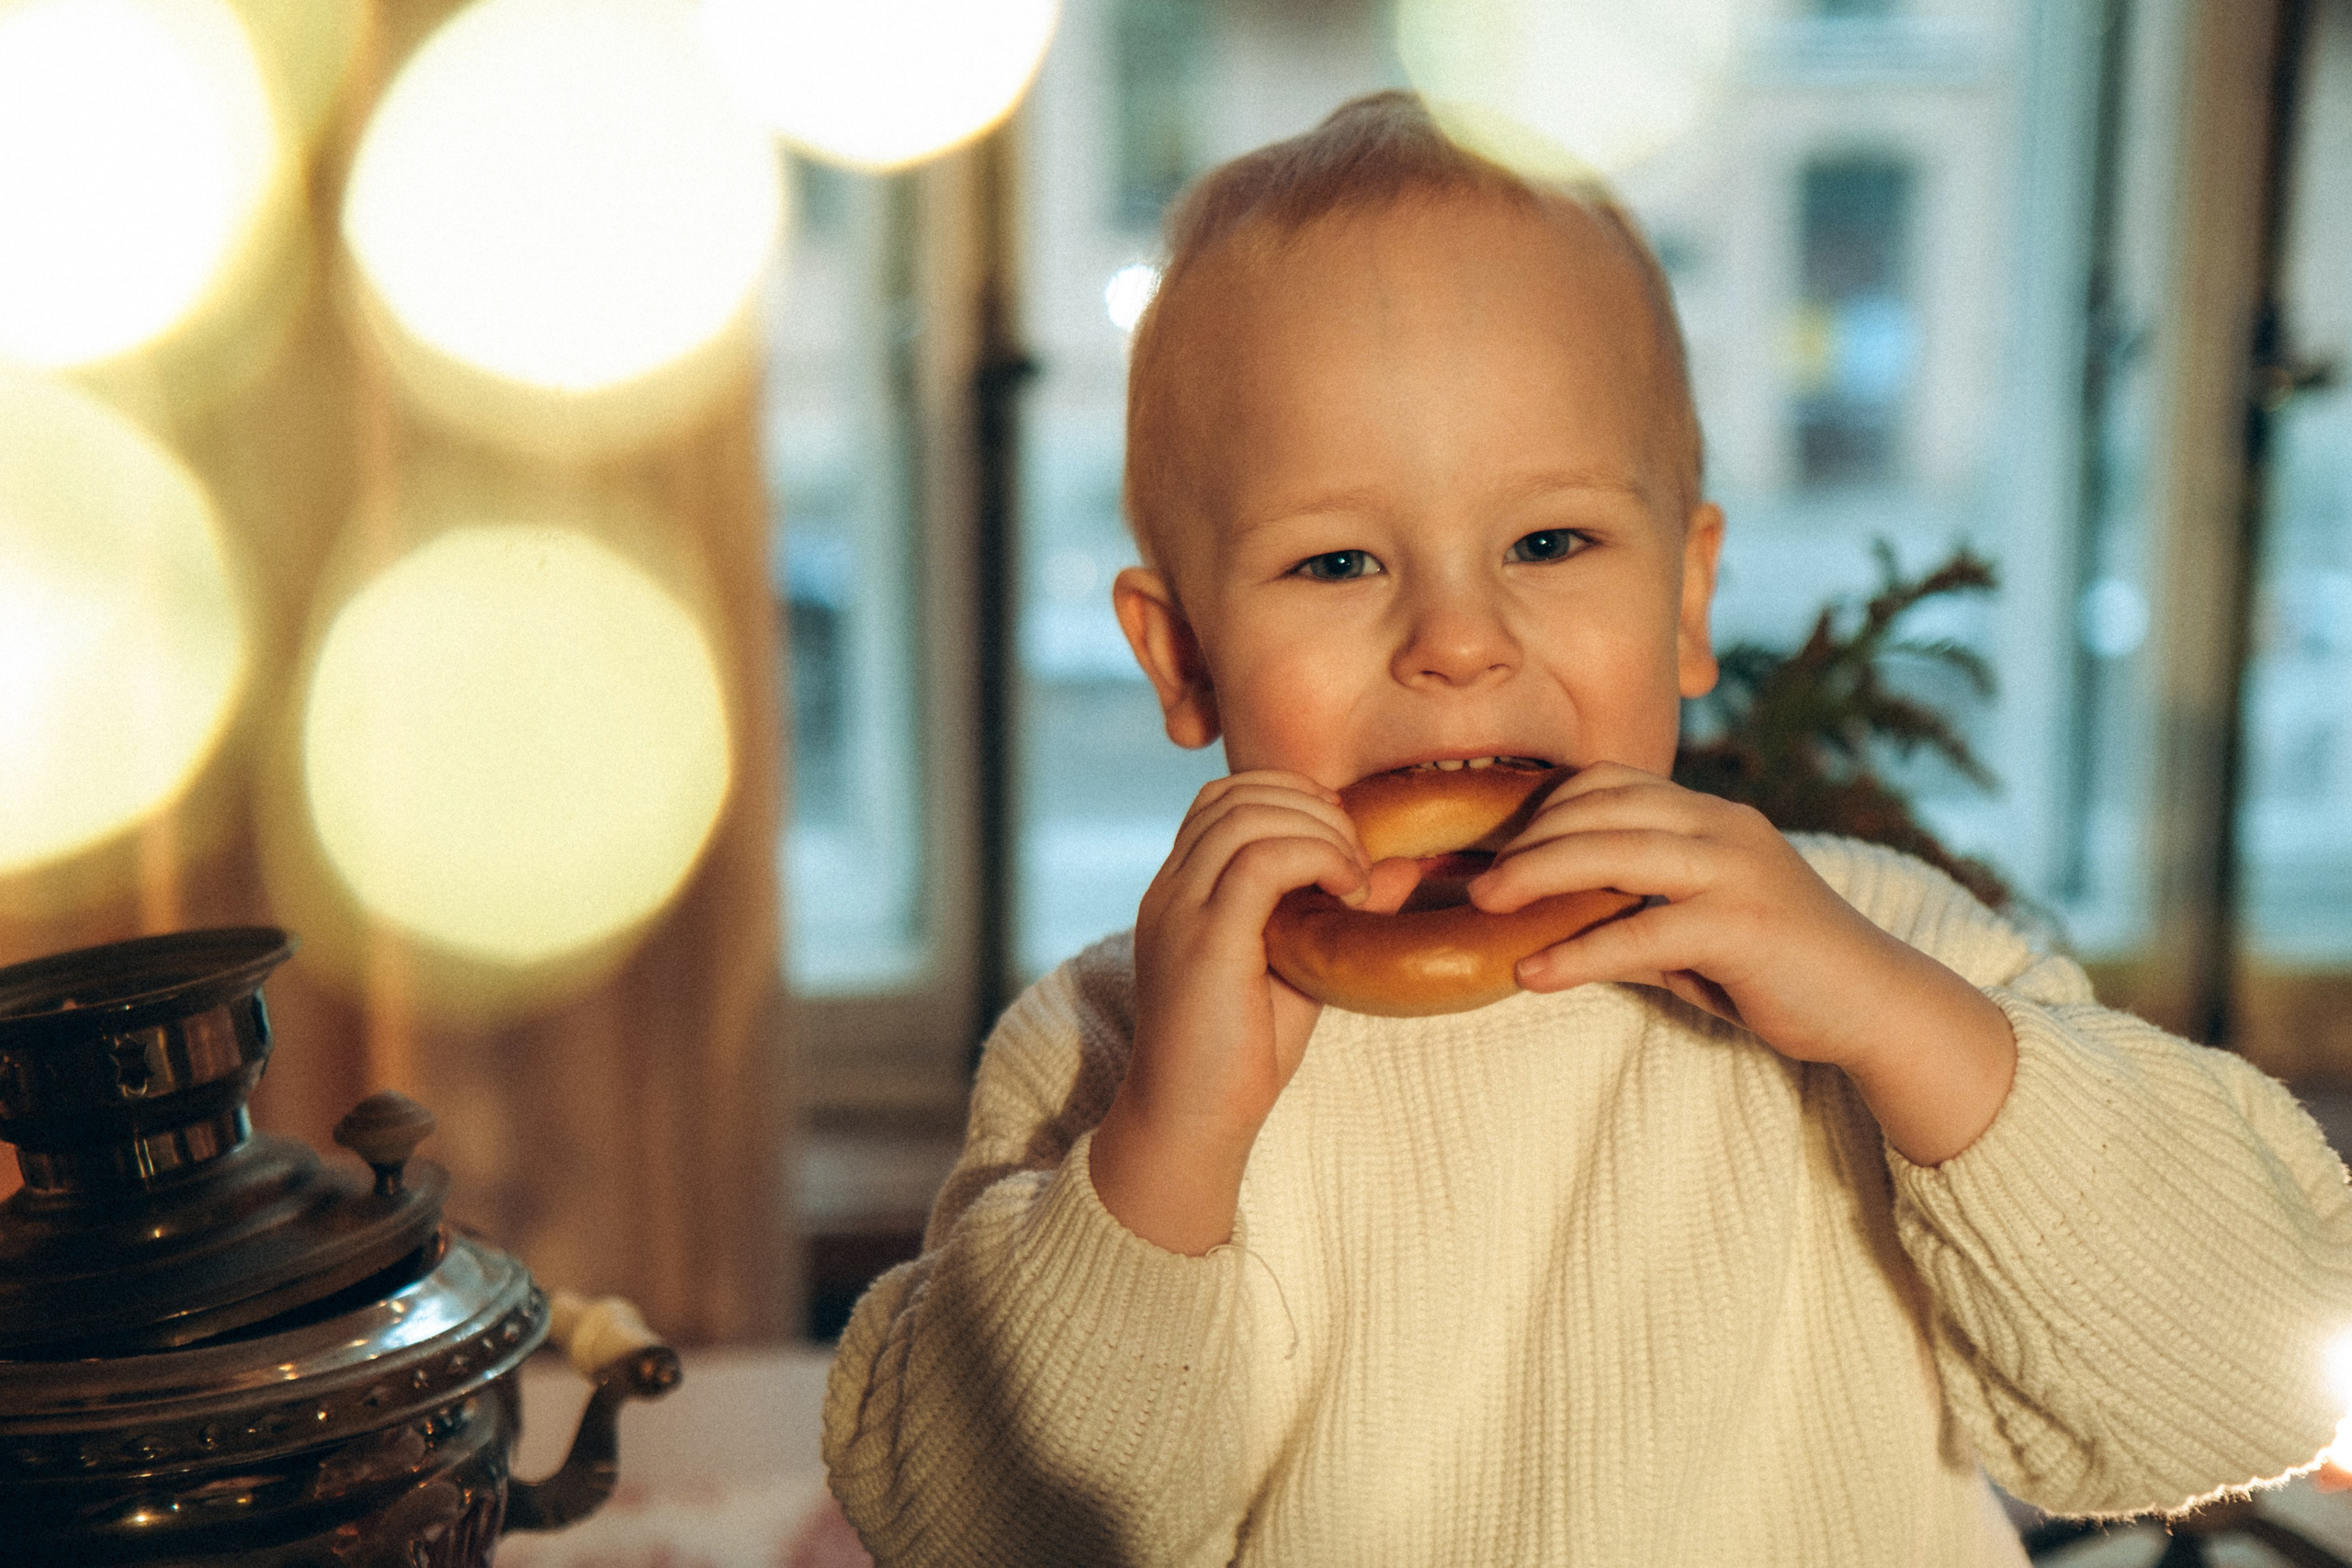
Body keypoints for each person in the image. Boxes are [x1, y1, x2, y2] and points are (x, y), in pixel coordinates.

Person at [822, 92, 2352, 1565]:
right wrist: (1170, 1147)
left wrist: (1908, 1033)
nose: (1458, 638)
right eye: (1339, 562)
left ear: (1686, 600)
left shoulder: (1882, 946)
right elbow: (975, 1535)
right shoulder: (1110, 1048)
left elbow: (2253, 1383)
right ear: (1183, 659)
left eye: (1550, 541)